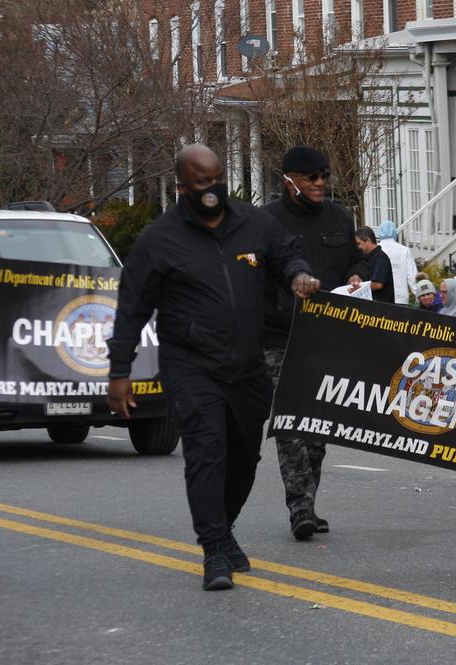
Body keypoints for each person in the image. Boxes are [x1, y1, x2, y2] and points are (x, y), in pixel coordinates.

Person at [107, 144, 317, 591]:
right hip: (191, 366)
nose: (212, 188)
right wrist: (119, 371)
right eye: (201, 181)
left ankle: (224, 528)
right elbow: (131, 309)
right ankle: (214, 551)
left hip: (247, 365)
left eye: (217, 177)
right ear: (181, 186)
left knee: (244, 457)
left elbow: (286, 254)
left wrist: (298, 273)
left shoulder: (255, 223)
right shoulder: (159, 240)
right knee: (206, 454)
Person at [262, 145, 365, 541]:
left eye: (324, 176)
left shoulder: (340, 217)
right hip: (279, 335)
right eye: (311, 177)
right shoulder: (267, 221)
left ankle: (309, 502)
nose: (320, 183)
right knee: (289, 423)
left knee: (317, 429)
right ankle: (299, 508)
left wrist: (357, 275)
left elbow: (357, 260)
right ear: (290, 181)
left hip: (326, 336)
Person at [377, 221, 417, 305]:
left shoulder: (376, 250)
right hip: (401, 298)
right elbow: (412, 276)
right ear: (395, 232)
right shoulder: (404, 250)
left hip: (381, 299)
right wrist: (418, 296)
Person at [354, 227, 395, 304]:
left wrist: (358, 289)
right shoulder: (369, 258)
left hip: (381, 309)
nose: (357, 247)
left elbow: (377, 284)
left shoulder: (380, 258)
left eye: (359, 243)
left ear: (368, 240)